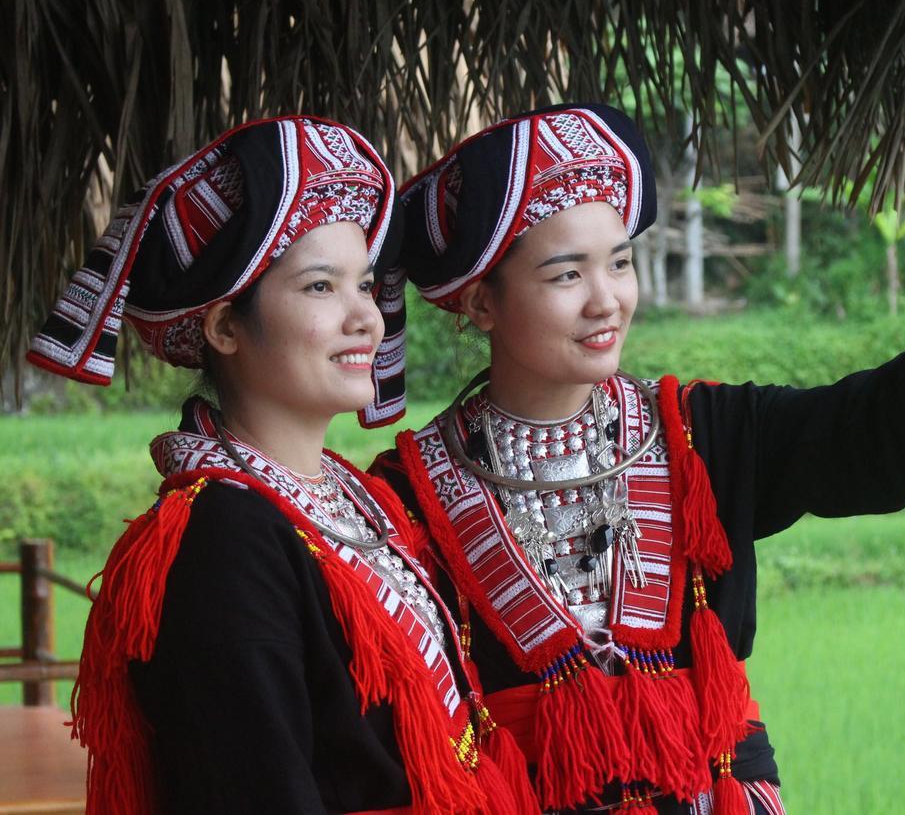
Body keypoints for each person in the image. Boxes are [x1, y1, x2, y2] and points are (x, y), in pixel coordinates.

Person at [370, 103, 905, 814]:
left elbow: (872, 431)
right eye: (567, 273)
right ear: (480, 303)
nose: (606, 299)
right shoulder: (405, 502)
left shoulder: (701, 434)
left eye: (620, 263)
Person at [28, 116, 538, 814]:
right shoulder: (223, 540)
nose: (367, 318)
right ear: (225, 327)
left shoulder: (358, 500)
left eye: (364, 285)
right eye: (321, 288)